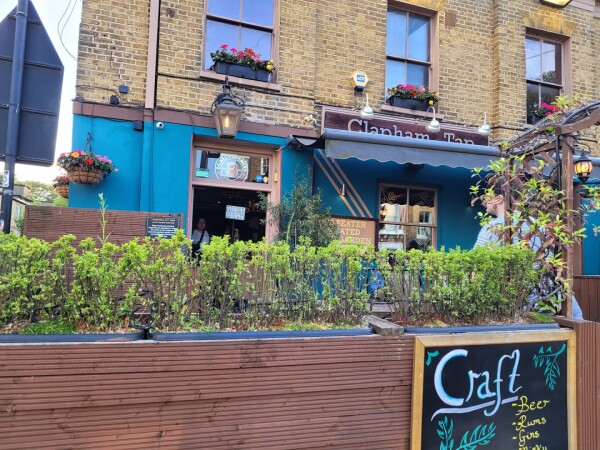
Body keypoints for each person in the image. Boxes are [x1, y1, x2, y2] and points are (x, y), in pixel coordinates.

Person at [474, 183, 583, 320]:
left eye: (487, 196)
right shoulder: (539, 226)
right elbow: (551, 264)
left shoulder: (492, 228)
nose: (484, 201)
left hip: (520, 305)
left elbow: (476, 267)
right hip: (552, 298)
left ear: (499, 198)